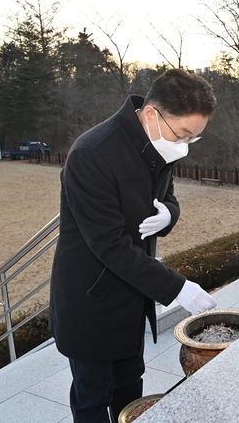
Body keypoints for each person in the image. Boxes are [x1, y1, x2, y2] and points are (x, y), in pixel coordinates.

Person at [49, 69, 218, 423]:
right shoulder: (92, 154)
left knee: (130, 383)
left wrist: (168, 215)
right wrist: (178, 288)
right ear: (152, 114)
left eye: (194, 138)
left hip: (131, 292)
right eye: (183, 134)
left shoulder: (158, 142)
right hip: (90, 300)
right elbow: (108, 244)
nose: (184, 146)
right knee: (93, 395)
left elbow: (167, 196)